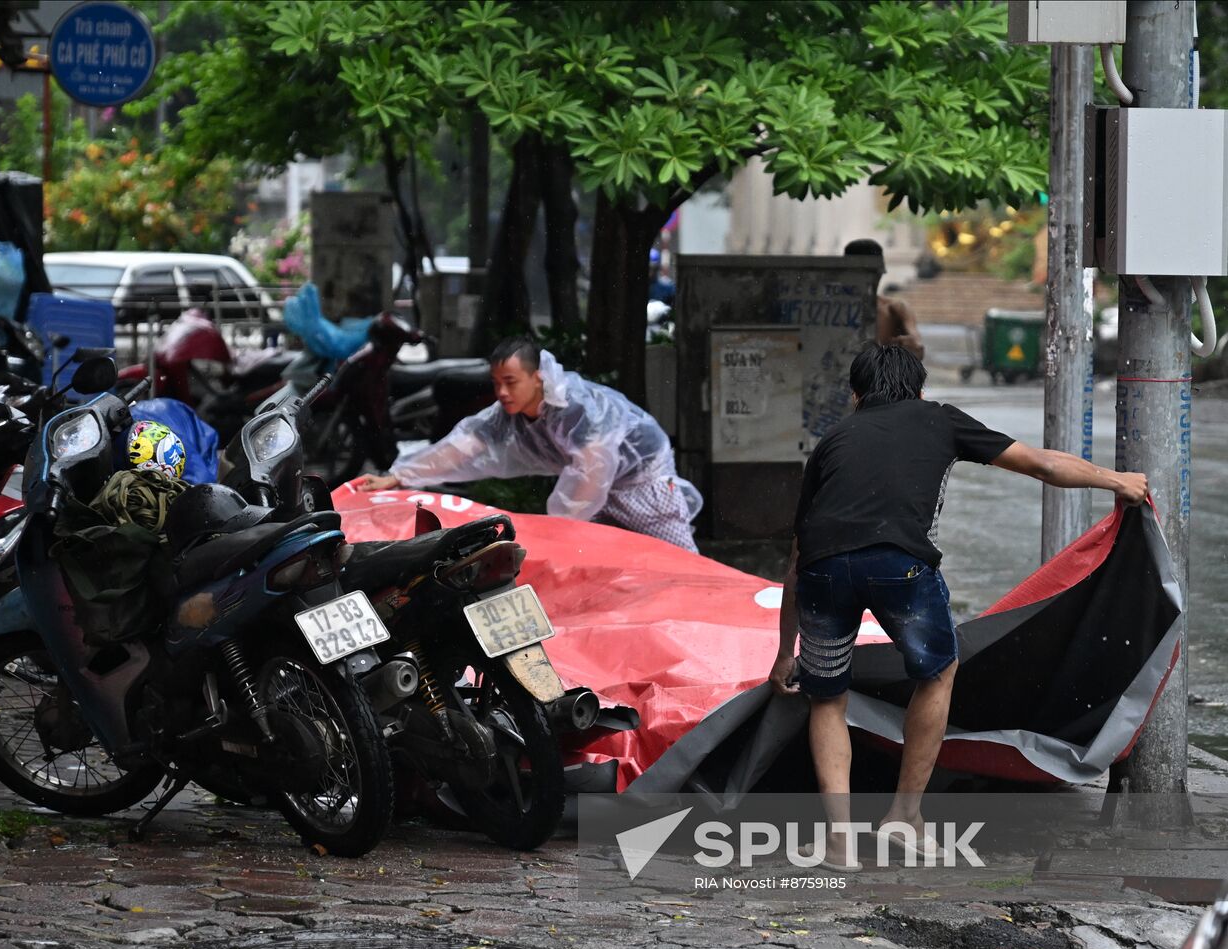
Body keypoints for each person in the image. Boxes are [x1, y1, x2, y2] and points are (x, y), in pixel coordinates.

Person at [768, 342, 1148, 871]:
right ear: (920, 390)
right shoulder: (939, 419)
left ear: (855, 396)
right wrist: (1117, 480)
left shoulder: (832, 440)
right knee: (938, 672)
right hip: (899, 566)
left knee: (826, 697)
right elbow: (1040, 463)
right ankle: (903, 816)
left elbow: (797, 555)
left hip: (823, 573)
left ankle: (838, 843)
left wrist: (785, 651)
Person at [354, 337, 703, 552]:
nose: (502, 392)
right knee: (598, 569)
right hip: (595, 494)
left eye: (511, 382)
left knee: (684, 566)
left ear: (537, 378)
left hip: (643, 484)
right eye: (496, 383)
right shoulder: (507, 413)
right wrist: (399, 477)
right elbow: (463, 445)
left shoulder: (576, 408)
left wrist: (559, 527)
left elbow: (591, 473)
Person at [844, 238, 925, 361]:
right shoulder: (829, 310)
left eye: (876, 273)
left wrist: (909, 346)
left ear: (881, 272)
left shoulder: (895, 309)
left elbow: (918, 350)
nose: (872, 280)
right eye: (864, 273)